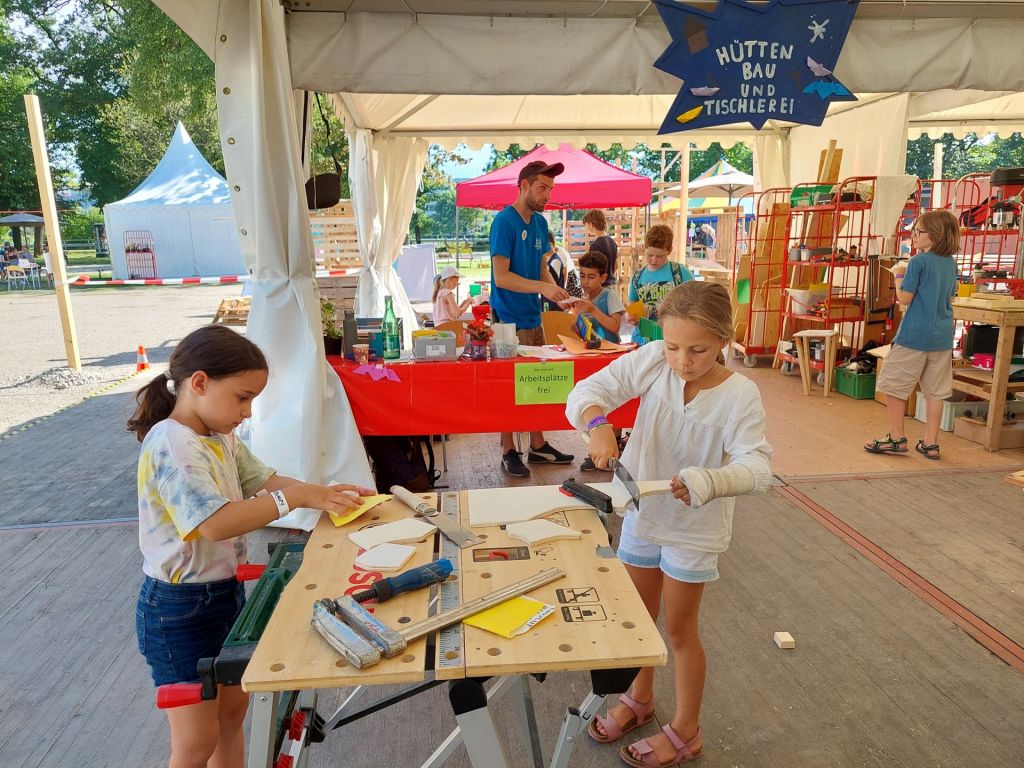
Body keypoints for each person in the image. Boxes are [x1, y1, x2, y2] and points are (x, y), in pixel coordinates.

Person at [127, 325, 373, 768]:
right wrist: (295, 499)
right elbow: (215, 524)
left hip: (222, 595)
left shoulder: (217, 433)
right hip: (178, 610)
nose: (247, 411)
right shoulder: (173, 445)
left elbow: (264, 479)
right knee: (196, 742)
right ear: (199, 383)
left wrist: (322, 494)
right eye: (242, 398)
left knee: (231, 716)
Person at [567, 281, 772, 767]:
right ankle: (639, 699)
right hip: (643, 513)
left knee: (679, 631)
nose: (682, 361)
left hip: (693, 530)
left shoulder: (739, 395)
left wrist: (711, 480)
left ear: (723, 338)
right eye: (674, 346)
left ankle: (686, 729)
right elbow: (590, 390)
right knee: (638, 620)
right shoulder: (654, 359)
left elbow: (759, 467)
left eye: (697, 350)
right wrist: (598, 425)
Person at [490, 159, 574, 477]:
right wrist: (542, 287)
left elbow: (540, 270)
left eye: (550, 189)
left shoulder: (539, 223)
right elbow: (501, 277)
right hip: (507, 320)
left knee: (536, 384)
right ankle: (508, 450)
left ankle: (537, 445)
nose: (547, 194)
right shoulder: (504, 222)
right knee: (508, 390)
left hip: (533, 317)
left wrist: (559, 295)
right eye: (542, 187)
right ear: (523, 185)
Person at [865, 209, 959, 460]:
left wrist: (898, 277)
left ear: (936, 234)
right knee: (935, 392)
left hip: (914, 335)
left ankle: (896, 438)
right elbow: (950, 297)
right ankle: (931, 443)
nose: (913, 235)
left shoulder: (917, 262)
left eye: (918, 231)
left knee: (895, 386)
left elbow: (905, 298)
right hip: (941, 337)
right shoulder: (951, 263)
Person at [629, 224, 694, 320]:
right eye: (650, 255)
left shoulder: (680, 273)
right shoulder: (637, 277)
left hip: (672, 328)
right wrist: (631, 317)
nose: (654, 260)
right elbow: (632, 304)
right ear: (644, 248)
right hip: (643, 329)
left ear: (670, 251)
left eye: (660, 256)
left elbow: (695, 301)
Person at [574, 251, 624, 343]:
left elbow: (615, 327)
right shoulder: (583, 298)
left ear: (603, 278)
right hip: (591, 349)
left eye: (591, 277)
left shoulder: (609, 295)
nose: (585, 282)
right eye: (582, 276)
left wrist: (592, 310)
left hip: (611, 349)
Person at [542, 231, 582, 311]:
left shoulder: (555, 261)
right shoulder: (549, 260)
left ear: (550, 244)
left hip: (554, 302)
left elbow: (554, 282)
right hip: (553, 299)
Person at [583, 208, 618, 286]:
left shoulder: (595, 245)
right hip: (612, 285)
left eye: (585, 226)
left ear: (591, 224)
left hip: (600, 287)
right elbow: (616, 266)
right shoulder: (612, 242)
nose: (585, 229)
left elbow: (593, 271)